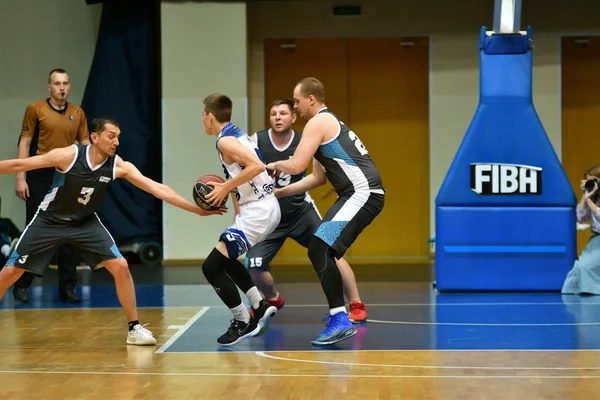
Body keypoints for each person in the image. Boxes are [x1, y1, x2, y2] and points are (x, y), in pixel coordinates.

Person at [0, 116, 224, 345]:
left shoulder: (118, 165)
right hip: (50, 220)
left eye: (118, 137)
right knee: (10, 273)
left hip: (84, 222)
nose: (116, 142)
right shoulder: (69, 155)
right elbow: (21, 165)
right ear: (94, 137)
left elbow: (157, 188)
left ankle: (134, 328)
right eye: (111, 136)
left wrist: (195, 210)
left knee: (121, 266)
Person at [267, 77, 385, 346]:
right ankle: (339, 317)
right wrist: (279, 192)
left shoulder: (317, 122)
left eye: (296, 101)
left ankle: (340, 319)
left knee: (319, 247)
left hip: (361, 193)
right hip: (359, 194)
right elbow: (317, 178)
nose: (294, 107)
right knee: (321, 248)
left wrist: (271, 164)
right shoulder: (326, 125)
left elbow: (296, 165)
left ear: (311, 99)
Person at [246, 99, 368, 323]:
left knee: (331, 251)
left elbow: (317, 177)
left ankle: (356, 303)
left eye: (283, 113)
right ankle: (272, 298)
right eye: (273, 114)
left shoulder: (306, 140)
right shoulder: (256, 141)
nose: (278, 117)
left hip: (301, 211)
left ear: (293, 117)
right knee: (253, 265)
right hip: (270, 216)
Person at [201, 93, 280, 346]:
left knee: (211, 267)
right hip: (259, 208)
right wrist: (237, 207)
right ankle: (259, 305)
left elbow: (256, 166)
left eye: (203, 115)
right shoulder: (237, 133)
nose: (202, 120)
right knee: (226, 258)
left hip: (259, 211)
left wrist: (224, 188)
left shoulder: (225, 141)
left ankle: (242, 321)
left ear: (210, 116)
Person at [13, 68, 89, 303]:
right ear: (49, 87)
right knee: (34, 232)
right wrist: (20, 177)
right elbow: (25, 143)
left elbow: (85, 144)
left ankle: (67, 288)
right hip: (40, 174)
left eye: (65, 83)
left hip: (67, 175)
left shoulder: (77, 112)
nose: (62, 88)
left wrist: (88, 178)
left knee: (68, 231)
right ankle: (21, 285)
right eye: (57, 83)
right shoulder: (35, 109)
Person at [562, 165, 600, 295]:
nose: (592, 184)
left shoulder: (593, 200)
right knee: (578, 269)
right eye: (588, 181)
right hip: (596, 240)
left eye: (594, 181)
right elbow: (581, 218)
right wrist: (585, 196)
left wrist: (589, 200)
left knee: (584, 267)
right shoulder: (593, 197)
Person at [0, 197, 21, 266]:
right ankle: (7, 250)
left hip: (5, 260)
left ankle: (10, 252)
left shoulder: (6, 222)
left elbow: (18, 236)